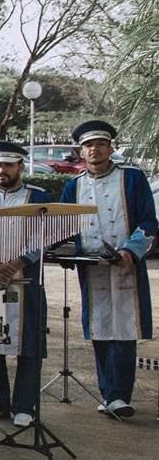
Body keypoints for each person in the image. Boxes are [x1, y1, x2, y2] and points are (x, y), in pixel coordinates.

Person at [60, 119, 157, 418]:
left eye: (101, 144)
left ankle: (119, 396)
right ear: (81, 152)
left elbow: (148, 220)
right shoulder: (73, 185)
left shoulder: (132, 178)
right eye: (89, 145)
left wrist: (130, 251)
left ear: (110, 147)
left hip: (126, 266)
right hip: (93, 269)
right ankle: (108, 394)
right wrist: (64, 252)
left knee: (125, 328)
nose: (95, 150)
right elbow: (62, 228)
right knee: (100, 326)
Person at [0, 141, 48, 428]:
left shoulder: (36, 196)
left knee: (28, 344)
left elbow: (45, 235)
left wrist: (17, 262)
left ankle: (24, 405)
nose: (1, 170)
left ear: (20, 166)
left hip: (26, 280)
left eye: (7, 164)